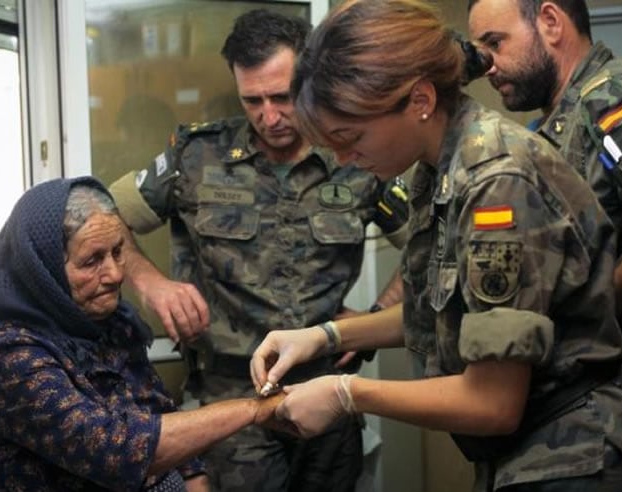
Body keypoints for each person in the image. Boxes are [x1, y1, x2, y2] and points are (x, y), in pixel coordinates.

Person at [250, 0, 622, 490]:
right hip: (533, 455)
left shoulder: (495, 180)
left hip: (576, 457)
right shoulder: (441, 167)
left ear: (419, 101)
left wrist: (348, 393)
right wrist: (324, 337)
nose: (346, 159)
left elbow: (492, 403)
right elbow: (451, 309)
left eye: (350, 137)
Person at [108, 8, 408, 492]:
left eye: (281, 97)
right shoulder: (196, 156)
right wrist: (150, 282)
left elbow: (430, 240)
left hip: (327, 391)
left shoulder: (353, 156)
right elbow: (101, 216)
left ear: (309, 78)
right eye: (253, 101)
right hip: (231, 404)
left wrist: (377, 318)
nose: (269, 117)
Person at [0, 177, 288, 492]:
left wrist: (195, 480)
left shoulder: (111, 324)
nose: (115, 274)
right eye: (92, 260)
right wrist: (254, 409)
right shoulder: (9, 356)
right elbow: (117, 450)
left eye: (117, 252)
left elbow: (158, 409)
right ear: (44, 270)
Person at [467, 0, 622, 350]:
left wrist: (573, 311)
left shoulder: (609, 104)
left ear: (550, 22)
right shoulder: (565, 119)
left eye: (496, 44)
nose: (488, 67)